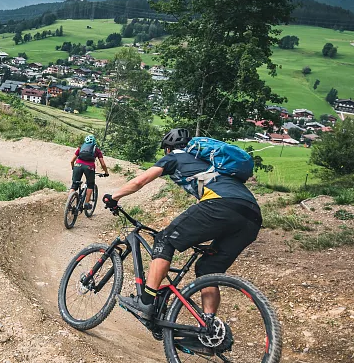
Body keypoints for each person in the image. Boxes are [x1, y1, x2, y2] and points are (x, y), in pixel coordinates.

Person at [102, 128, 262, 322]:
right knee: (207, 270)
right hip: (252, 216)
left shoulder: (175, 157)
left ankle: (146, 301)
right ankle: (209, 328)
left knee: (164, 239)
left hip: (221, 205)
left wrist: (114, 197)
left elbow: (139, 181)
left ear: (169, 149)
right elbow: (205, 203)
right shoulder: (210, 165)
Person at [70, 135, 108, 210]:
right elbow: (103, 164)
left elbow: (72, 161)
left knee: (74, 185)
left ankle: (69, 202)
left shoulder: (80, 148)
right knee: (90, 185)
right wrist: (106, 172)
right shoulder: (96, 150)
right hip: (89, 167)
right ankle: (86, 203)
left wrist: (73, 168)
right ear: (94, 142)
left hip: (77, 166)